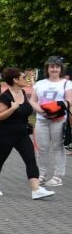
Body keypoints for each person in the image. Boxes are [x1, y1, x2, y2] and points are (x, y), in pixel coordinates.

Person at [0, 68, 55, 200]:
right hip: (5, 133)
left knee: (30, 159)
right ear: (15, 80)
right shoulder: (5, 97)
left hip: (22, 134)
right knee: (0, 159)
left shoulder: (22, 92)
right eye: (23, 77)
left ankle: (36, 190)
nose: (26, 79)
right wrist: (12, 108)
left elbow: (26, 110)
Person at [29, 56, 71, 187]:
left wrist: (55, 109)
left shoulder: (67, 83)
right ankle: (42, 174)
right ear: (47, 68)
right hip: (42, 120)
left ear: (61, 69)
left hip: (59, 120)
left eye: (57, 67)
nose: (54, 69)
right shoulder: (39, 83)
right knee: (42, 148)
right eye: (52, 66)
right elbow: (32, 101)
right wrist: (41, 111)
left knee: (58, 147)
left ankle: (58, 176)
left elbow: (69, 101)